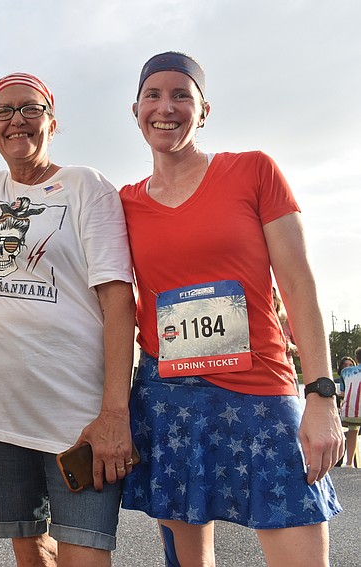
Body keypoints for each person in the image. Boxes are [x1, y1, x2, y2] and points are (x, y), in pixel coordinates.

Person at [120, 51, 342, 567]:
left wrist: (322, 394)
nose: (166, 107)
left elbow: (299, 284)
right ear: (136, 111)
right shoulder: (124, 202)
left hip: (257, 390)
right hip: (169, 395)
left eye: (181, 95)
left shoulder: (253, 171)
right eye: (153, 95)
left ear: (204, 110)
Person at [0, 72, 136, 567]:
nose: (16, 120)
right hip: (2, 416)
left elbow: (118, 301)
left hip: (78, 421)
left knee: (84, 553)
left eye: (30, 109)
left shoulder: (86, 185)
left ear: (52, 122)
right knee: (29, 551)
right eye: (4, 111)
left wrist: (114, 413)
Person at [338, 350, 361, 467]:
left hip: (350, 414)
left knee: (353, 429)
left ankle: (349, 463)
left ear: (356, 359)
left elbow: (342, 393)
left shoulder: (345, 372)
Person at [273, 286, 298, 369]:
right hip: (269, 372)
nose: (272, 301)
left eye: (274, 297)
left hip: (289, 373)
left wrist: (289, 346)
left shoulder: (287, 321)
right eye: (269, 298)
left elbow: (302, 350)